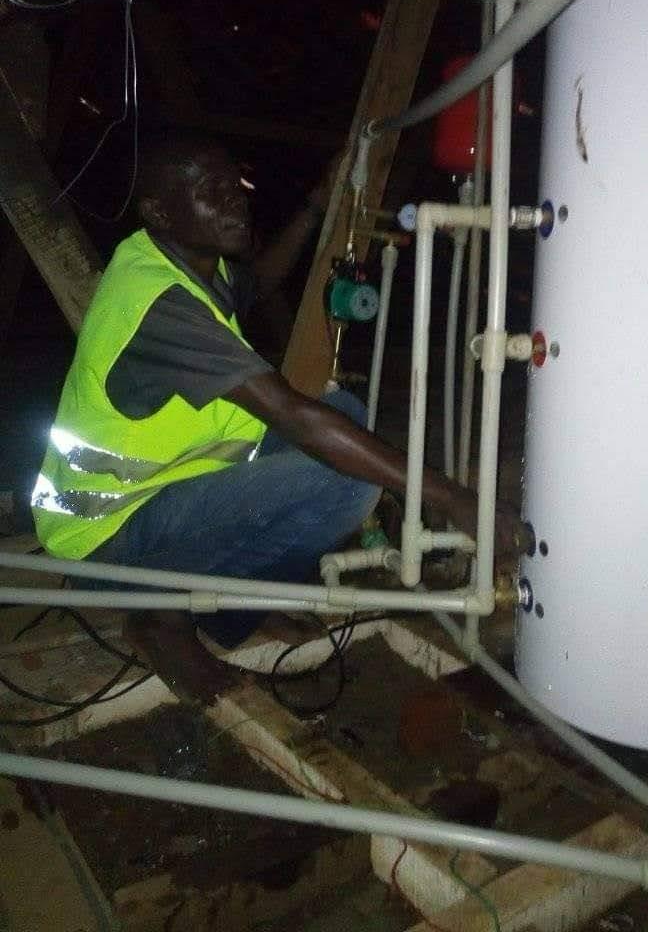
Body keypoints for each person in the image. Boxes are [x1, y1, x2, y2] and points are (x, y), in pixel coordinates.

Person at [32, 133, 527, 702]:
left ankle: (229, 614)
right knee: (338, 474)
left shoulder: (177, 260)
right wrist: (447, 497)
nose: (234, 200)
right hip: (108, 542)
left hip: (165, 494)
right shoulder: (159, 305)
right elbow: (290, 414)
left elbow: (256, 282)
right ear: (160, 213)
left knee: (343, 414)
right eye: (209, 192)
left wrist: (318, 202)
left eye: (235, 185)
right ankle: (157, 618)